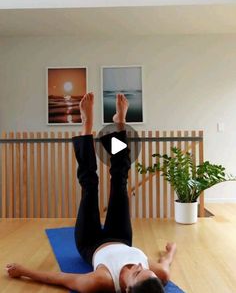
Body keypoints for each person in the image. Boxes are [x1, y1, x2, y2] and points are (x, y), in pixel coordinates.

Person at [5, 93, 177, 293]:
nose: (140, 266)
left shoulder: (100, 281)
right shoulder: (158, 275)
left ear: (128, 290)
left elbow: (61, 278)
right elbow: (165, 263)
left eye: (137, 273)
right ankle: (119, 124)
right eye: (147, 271)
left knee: (89, 184)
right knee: (120, 179)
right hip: (121, 237)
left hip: (90, 241)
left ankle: (86, 126)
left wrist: (24, 271)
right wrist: (171, 251)